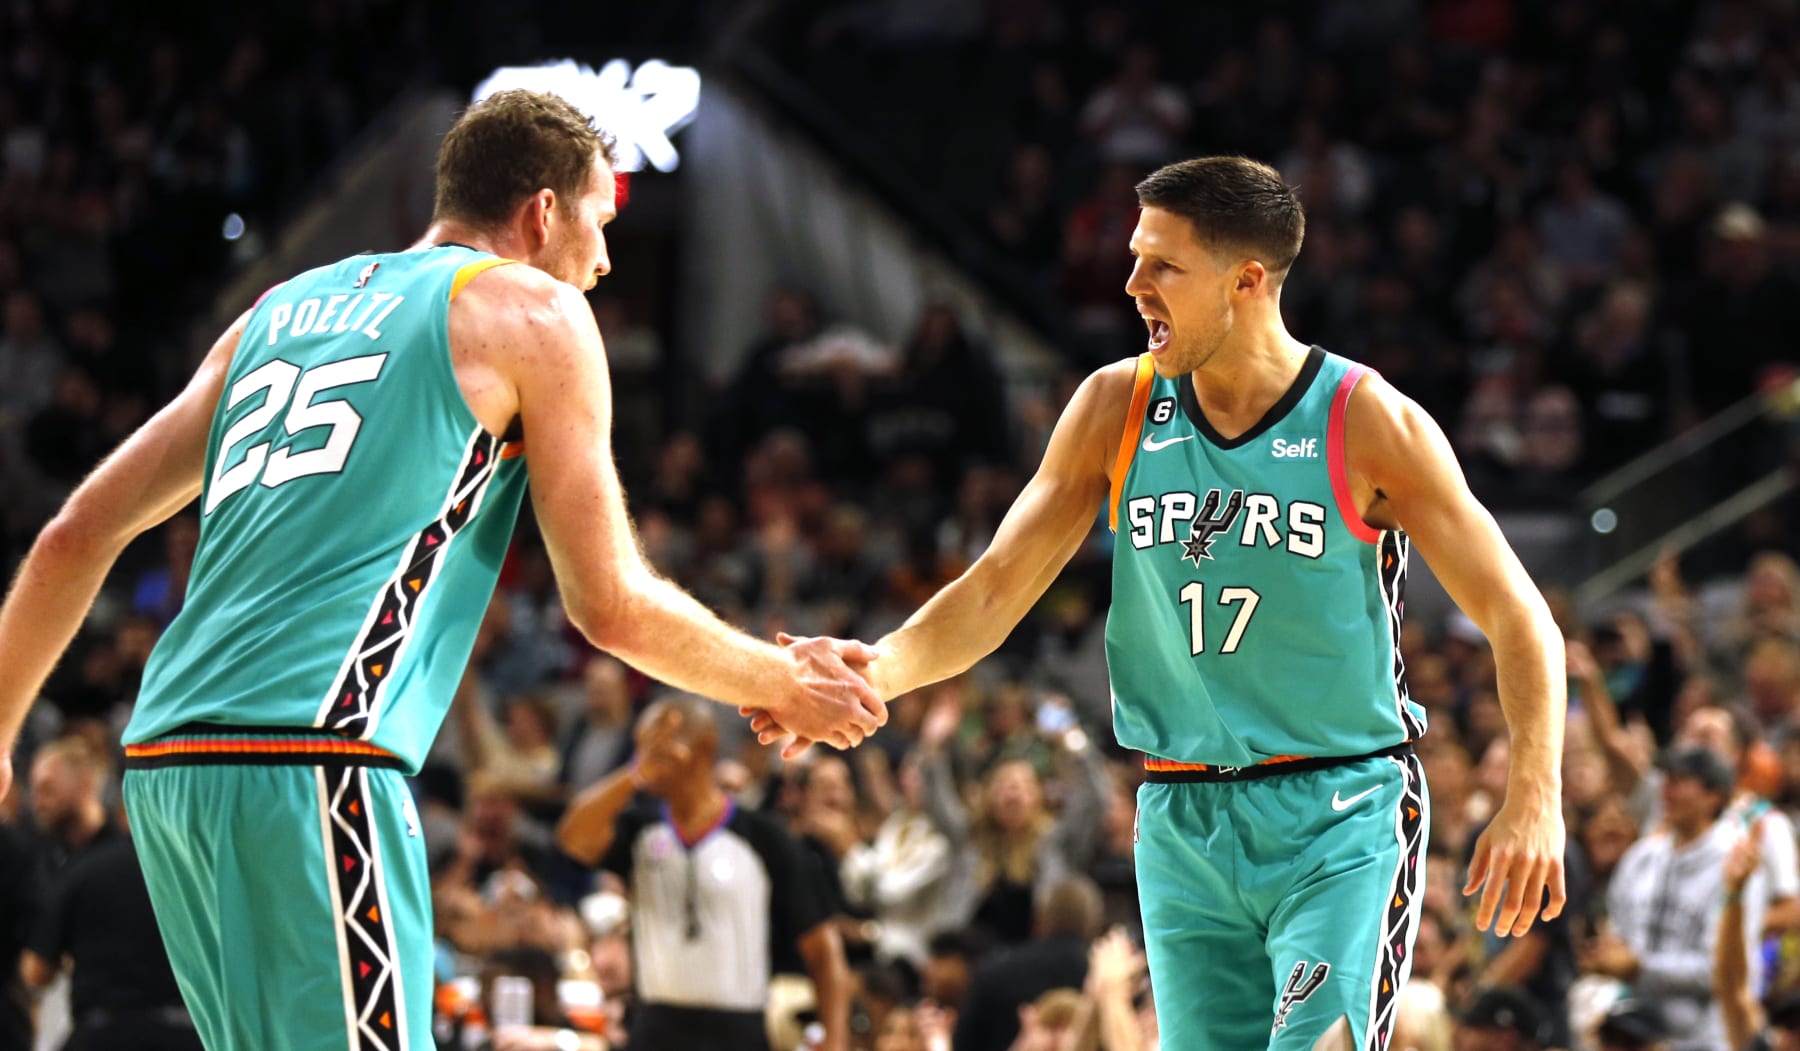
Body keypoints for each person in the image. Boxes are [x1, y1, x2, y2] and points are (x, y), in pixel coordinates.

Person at [0, 89, 884, 1051]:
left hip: (166, 766)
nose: (605, 258)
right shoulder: (533, 310)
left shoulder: (276, 310)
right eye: (600, 219)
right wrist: (782, 681)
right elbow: (610, 604)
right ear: (542, 213)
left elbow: (75, 532)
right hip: (315, 754)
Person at [750, 155, 1568, 1050]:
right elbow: (994, 587)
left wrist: (1534, 791)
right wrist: (882, 669)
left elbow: (1518, 613)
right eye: (1136, 258)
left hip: (1339, 811)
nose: (1133, 283)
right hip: (1180, 814)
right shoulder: (1115, 405)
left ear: (1247, 281)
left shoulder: (1366, 420)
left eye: (1162, 265)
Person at [556, 697, 852, 1051]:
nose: (646, 753)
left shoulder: (764, 838)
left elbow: (824, 952)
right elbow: (572, 837)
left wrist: (835, 1042)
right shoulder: (641, 832)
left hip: (738, 1032)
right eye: (641, 745)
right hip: (654, 1028)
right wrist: (633, 774)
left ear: (701, 748)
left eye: (657, 742)